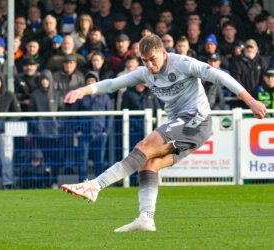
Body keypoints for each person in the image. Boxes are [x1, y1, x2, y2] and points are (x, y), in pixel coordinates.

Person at [61, 34, 266, 232]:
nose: (149, 65)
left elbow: (220, 75)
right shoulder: (145, 73)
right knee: (149, 164)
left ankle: (95, 186)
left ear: (163, 52)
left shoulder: (183, 63)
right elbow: (113, 84)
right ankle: (146, 218)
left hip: (195, 120)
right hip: (185, 125)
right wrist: (83, 91)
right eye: (145, 61)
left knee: (143, 147)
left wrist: (251, 101)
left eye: (153, 59)